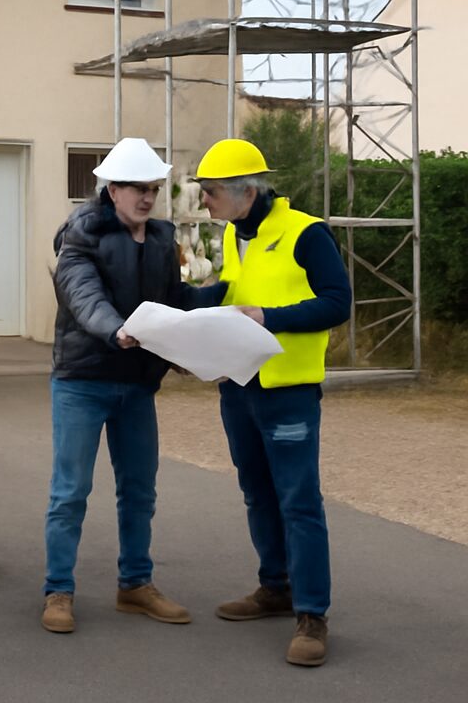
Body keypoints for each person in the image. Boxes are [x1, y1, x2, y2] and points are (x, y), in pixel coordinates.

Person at [43, 137, 224, 634]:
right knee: (71, 492)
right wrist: (115, 329)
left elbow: (174, 299)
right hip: (83, 381)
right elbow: (82, 294)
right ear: (112, 190)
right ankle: (58, 591)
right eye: (137, 189)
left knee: (140, 490)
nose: (147, 198)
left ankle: (135, 586)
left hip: (138, 384)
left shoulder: (163, 239)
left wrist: (224, 296)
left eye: (154, 188)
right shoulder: (80, 234)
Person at [195, 138, 352, 668]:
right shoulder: (235, 236)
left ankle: (312, 615)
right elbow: (226, 294)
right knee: (257, 493)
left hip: (288, 391)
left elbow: (337, 301)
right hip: (238, 387)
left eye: (210, 192)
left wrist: (270, 317)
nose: (204, 202)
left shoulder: (307, 232)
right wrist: (164, 307)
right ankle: (275, 587)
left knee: (298, 500)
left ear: (246, 190)